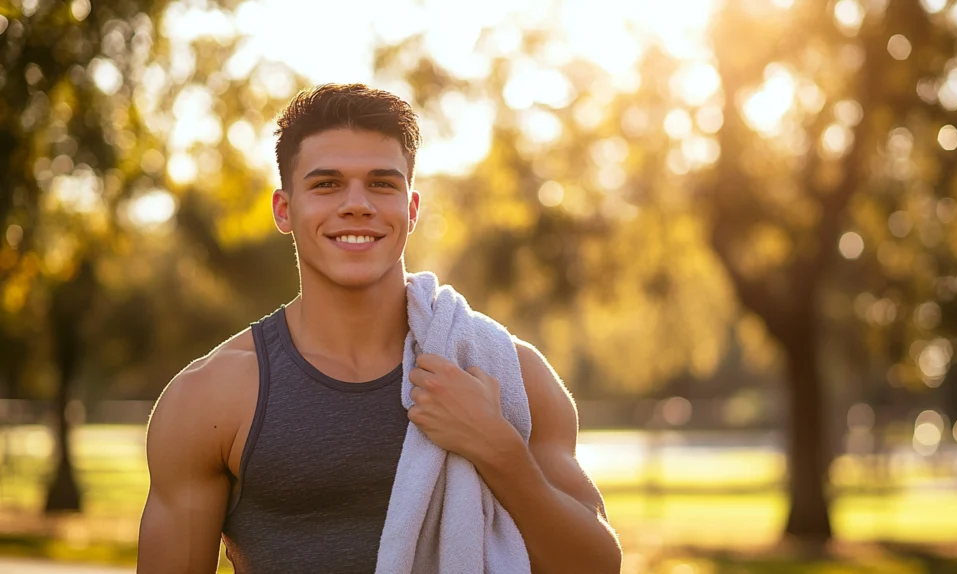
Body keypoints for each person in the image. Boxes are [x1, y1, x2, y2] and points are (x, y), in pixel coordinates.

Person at [136, 83, 621, 573]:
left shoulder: (507, 373)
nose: (357, 204)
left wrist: (499, 451)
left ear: (411, 210)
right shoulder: (212, 397)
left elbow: (598, 566)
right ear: (284, 209)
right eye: (326, 184)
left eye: (382, 184)